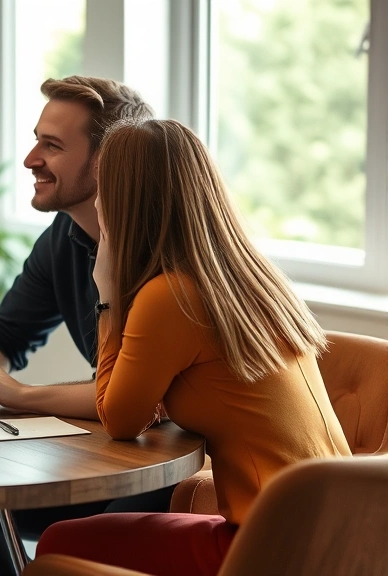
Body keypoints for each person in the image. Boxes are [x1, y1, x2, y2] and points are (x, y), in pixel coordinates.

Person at [24, 118, 351, 575]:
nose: (98, 201)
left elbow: (119, 419)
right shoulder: (249, 277)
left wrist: (107, 295)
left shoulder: (170, 296)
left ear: (126, 201)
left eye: (105, 188)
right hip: (342, 531)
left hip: (271, 546)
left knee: (61, 541)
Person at [0, 76, 162, 575]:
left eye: (51, 146)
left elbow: (148, 402)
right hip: (110, 456)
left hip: (170, 468)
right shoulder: (64, 237)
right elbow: (4, 333)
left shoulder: (165, 254)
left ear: (107, 159)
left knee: (77, 549)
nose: (30, 159)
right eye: (36, 139)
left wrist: (17, 393)